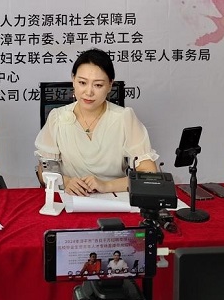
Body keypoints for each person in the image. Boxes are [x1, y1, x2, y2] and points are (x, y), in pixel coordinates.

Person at [35, 48, 159, 196]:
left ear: (110, 85)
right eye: (82, 82)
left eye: (98, 85)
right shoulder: (57, 117)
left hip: (115, 198)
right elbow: (43, 171)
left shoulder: (125, 118)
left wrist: (106, 185)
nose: (89, 92)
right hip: (70, 198)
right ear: (73, 80)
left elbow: (149, 173)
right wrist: (66, 182)